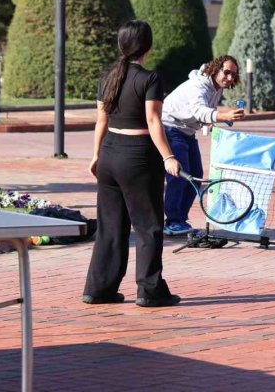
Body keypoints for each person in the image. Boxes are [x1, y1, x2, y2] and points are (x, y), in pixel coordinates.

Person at [83, 20, 183, 308]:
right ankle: (150, 290)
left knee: (110, 226)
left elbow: (101, 120)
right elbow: (153, 122)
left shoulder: (108, 77)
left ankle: (98, 289)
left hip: (109, 155)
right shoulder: (150, 79)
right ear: (147, 46)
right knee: (148, 225)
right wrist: (168, 156)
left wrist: (96, 155)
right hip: (139, 156)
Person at [161, 55, 245, 236]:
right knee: (180, 176)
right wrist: (224, 116)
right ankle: (172, 221)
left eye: (234, 75)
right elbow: (199, 111)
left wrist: (219, 121)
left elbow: (205, 113)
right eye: (227, 72)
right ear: (216, 69)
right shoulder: (198, 85)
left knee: (196, 176)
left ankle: (180, 220)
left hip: (187, 131)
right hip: (170, 128)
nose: (230, 78)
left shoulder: (216, 88)